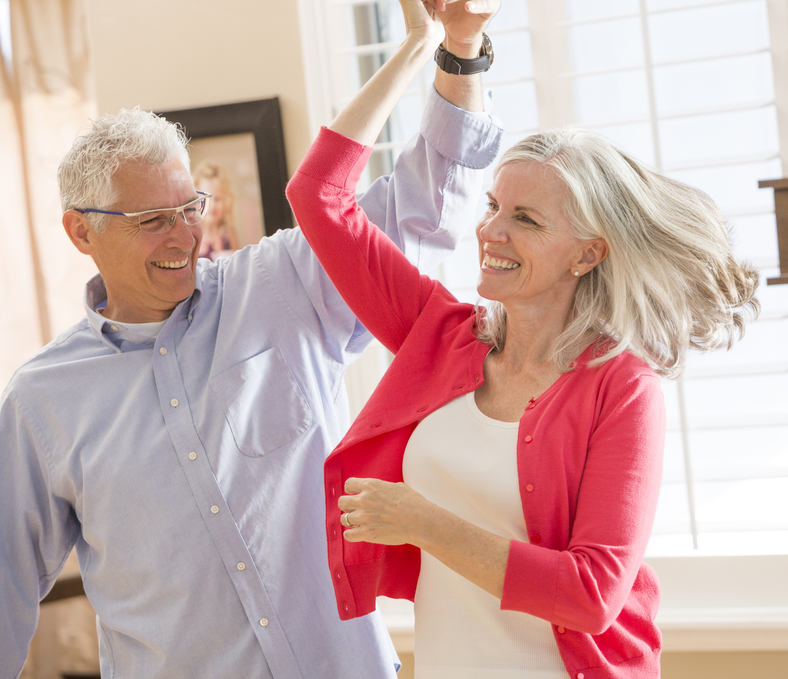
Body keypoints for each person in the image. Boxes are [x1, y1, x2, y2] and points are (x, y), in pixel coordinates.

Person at [0, 1, 502, 676]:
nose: (184, 236)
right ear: (81, 232)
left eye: (188, 208)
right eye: (153, 219)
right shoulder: (43, 400)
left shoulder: (282, 285)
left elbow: (424, 206)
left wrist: (459, 45)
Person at [286, 3, 760, 676]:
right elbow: (318, 197)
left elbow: (591, 595)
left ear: (586, 254)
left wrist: (421, 521)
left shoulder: (620, 386)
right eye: (492, 207)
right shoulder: (439, 333)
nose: (491, 232)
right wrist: (431, 45)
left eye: (526, 219)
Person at [192, 160, 240, 260]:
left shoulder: (228, 232)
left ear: (226, 200)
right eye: (206, 199)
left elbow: (239, 263)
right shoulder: (193, 235)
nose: (212, 205)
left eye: (217, 199)